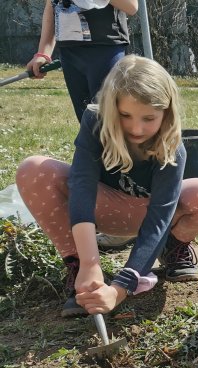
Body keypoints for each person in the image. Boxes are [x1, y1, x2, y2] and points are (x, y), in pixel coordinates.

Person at [16, 55, 198, 317]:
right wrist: (89, 263)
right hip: (103, 208)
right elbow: (82, 187)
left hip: (149, 215)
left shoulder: (173, 147)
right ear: (110, 107)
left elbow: (159, 218)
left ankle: (170, 245)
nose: (136, 128)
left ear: (167, 113)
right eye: (125, 115)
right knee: (33, 170)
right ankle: (77, 269)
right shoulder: (95, 122)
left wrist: (120, 289)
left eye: (148, 118)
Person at [27, 0, 140, 249]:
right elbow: (51, 6)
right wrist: (43, 51)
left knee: (111, 130)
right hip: (71, 54)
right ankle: (108, 214)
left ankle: (132, 214)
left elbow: (132, 7)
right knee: (90, 131)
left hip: (106, 49)